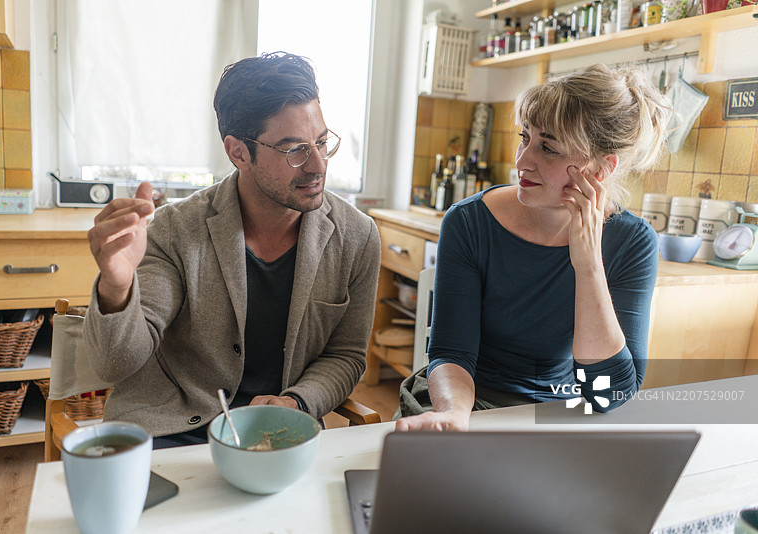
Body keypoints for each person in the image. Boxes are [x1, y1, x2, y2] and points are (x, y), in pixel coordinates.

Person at [84, 52, 381, 447]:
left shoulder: (357, 236)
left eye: (322, 142)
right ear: (238, 152)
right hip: (176, 428)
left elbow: (346, 356)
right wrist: (117, 286)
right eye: (294, 150)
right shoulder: (176, 230)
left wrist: (296, 402)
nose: (318, 165)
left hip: (279, 432)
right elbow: (114, 365)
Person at [396, 64, 672, 432]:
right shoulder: (469, 221)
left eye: (548, 148)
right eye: (524, 137)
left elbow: (610, 395)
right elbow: (452, 353)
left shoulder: (633, 243)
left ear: (600, 170)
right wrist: (453, 415)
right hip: (465, 399)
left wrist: (589, 265)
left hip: (559, 414)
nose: (522, 160)